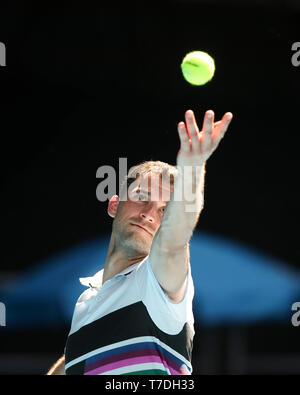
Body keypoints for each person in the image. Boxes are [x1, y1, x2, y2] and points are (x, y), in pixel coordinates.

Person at [47, 108, 233, 375]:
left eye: (164, 211)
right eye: (141, 196)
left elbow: (173, 241)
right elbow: (75, 363)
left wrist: (192, 168)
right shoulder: (87, 300)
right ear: (114, 205)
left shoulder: (157, 281)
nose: (148, 214)